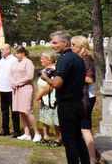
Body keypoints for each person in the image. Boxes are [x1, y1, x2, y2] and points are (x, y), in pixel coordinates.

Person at [41, 31, 90, 164]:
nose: (52, 45)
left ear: (65, 43)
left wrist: (45, 77)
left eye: (55, 42)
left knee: (69, 140)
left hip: (67, 105)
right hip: (78, 102)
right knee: (78, 138)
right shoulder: (78, 58)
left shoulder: (64, 59)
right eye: (52, 42)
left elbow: (57, 83)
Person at [71, 35, 99, 164]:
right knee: (85, 127)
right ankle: (93, 153)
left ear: (81, 46)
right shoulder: (81, 58)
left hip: (86, 98)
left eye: (73, 45)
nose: (71, 47)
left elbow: (90, 79)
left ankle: (92, 159)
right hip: (84, 96)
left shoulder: (86, 59)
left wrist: (72, 75)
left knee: (84, 128)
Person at [10, 46, 42, 142]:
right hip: (16, 89)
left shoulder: (28, 62)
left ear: (22, 53)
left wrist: (18, 82)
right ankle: (26, 133)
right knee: (20, 111)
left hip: (26, 88)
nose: (15, 56)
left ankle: (37, 133)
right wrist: (12, 82)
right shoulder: (15, 62)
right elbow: (10, 74)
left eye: (17, 53)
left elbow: (30, 76)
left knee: (27, 110)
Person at [0, 44, 21, 137]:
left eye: (2, 50)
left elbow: (17, 74)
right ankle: (5, 129)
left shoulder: (14, 60)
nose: (1, 51)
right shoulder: (1, 60)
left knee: (14, 111)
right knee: (4, 110)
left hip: (11, 89)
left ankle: (16, 131)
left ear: (8, 50)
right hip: (2, 88)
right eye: (1, 50)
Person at [36, 51, 61, 146]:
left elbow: (50, 86)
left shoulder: (53, 70)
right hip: (44, 98)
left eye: (43, 58)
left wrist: (39, 96)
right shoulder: (46, 69)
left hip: (52, 98)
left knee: (55, 120)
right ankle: (45, 137)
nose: (41, 60)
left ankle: (59, 138)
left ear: (49, 59)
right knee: (44, 118)